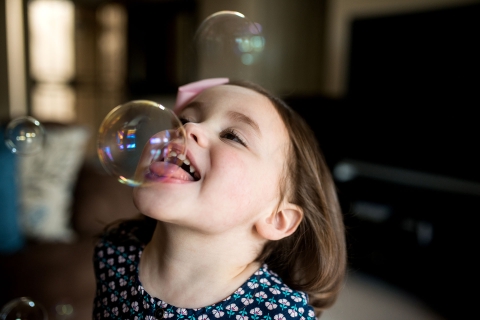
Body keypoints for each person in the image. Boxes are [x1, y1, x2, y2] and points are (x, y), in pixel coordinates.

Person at [92, 78, 347, 320]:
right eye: (182, 120)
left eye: (232, 136)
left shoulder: (279, 314)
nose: (189, 128)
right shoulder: (114, 251)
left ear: (277, 218)